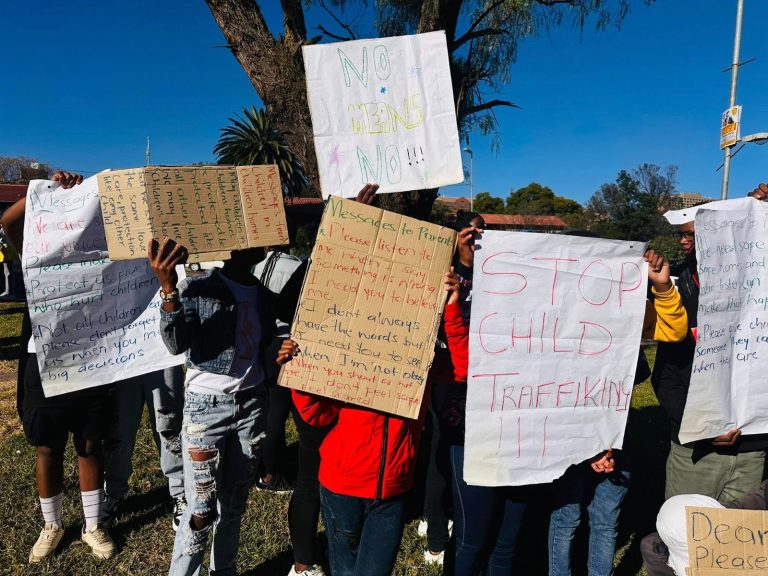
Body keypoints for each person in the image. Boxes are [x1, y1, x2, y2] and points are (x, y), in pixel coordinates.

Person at [277, 267, 466, 576]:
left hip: (392, 490)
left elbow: (462, 368)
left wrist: (452, 307)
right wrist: (301, 372)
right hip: (342, 486)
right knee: (345, 569)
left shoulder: (421, 359)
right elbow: (315, 414)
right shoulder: (351, 349)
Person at [548, 249, 689, 576]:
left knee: (606, 517)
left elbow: (674, 331)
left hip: (616, 432)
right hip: (569, 433)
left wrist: (663, 287)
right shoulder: (556, 319)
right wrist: (593, 445)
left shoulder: (625, 308)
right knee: (567, 515)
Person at [2, 171, 117, 562]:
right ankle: (51, 525)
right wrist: (46, 190)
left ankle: (92, 524)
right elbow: (8, 221)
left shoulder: (102, 255)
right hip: (44, 358)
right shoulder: (35, 249)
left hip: (91, 356)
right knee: (47, 445)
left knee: (89, 443)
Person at [149, 239, 275, 576]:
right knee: (200, 512)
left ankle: (225, 571)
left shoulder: (262, 294)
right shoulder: (199, 287)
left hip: (252, 407)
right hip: (206, 411)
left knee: (234, 505)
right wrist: (168, 290)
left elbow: (263, 347)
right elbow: (175, 343)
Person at [103, 365, 187, 530]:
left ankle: (181, 491)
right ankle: (112, 491)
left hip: (161, 355)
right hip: (122, 355)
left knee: (169, 421)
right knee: (119, 425)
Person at [252, 243, 303, 494]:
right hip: (285, 342)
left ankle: (267, 465)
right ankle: (269, 474)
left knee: (270, 408)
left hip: (263, 342)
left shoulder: (256, 266)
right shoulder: (296, 267)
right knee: (278, 411)